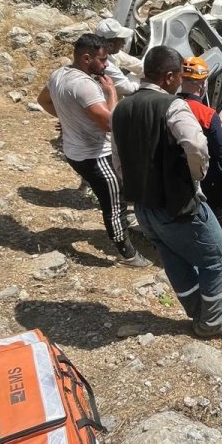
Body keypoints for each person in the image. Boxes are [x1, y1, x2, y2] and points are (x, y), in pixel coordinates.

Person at [111, 45, 222, 337]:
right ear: (169, 77)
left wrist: (136, 182)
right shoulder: (172, 106)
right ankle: (213, 321)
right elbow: (196, 145)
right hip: (178, 204)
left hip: (144, 207)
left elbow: (117, 159)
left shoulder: (121, 108)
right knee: (219, 258)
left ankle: (198, 312)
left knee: (174, 259)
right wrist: (196, 176)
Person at [36, 34, 150, 268]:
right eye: (103, 59)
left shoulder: (59, 74)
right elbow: (110, 123)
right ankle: (126, 254)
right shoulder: (86, 85)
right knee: (114, 202)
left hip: (75, 151)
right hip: (94, 156)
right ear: (87, 58)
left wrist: (70, 120)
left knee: (117, 192)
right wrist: (112, 93)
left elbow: (43, 101)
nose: (106, 64)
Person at [177, 56, 222, 255]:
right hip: (208, 177)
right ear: (203, 83)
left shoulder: (167, 107)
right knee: (219, 220)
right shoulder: (207, 114)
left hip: (175, 175)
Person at [94, 18, 142, 96]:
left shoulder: (111, 53)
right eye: (121, 40)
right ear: (111, 44)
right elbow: (129, 89)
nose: (124, 43)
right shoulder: (104, 66)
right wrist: (146, 81)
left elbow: (133, 63)